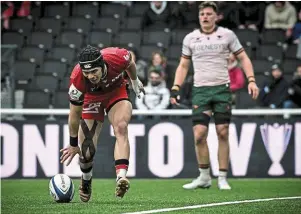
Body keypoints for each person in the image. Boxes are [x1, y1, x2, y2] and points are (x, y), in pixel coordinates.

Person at [170, 1, 259, 190]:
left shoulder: (227, 35)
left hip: (221, 89)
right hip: (200, 90)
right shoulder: (191, 38)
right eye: (202, 14)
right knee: (199, 134)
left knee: (223, 132)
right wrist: (175, 87)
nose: (205, 17)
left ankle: (222, 177)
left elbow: (243, 57)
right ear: (199, 16)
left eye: (209, 14)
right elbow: (184, 65)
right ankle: (204, 177)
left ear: (216, 16)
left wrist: (251, 79)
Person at [59, 45, 144, 202]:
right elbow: (74, 114)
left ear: (102, 65)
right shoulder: (77, 79)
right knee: (87, 151)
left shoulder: (118, 56)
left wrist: (134, 80)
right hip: (91, 98)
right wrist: (73, 144)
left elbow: (130, 63)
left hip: (116, 91)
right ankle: (86, 179)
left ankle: (121, 178)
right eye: (87, 72)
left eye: (94, 71)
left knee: (121, 127)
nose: (90, 76)